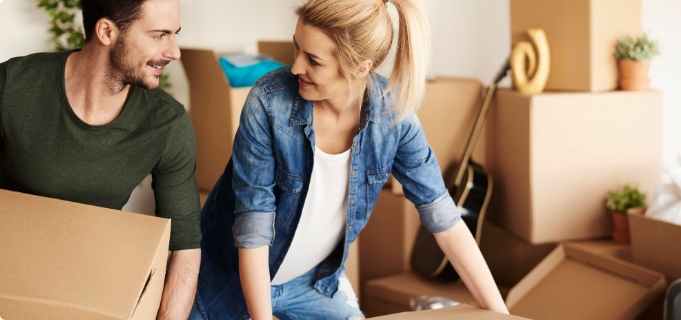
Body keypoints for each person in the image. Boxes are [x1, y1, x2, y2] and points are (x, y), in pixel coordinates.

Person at [191, 0, 509, 319]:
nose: (297, 67)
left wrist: (502, 314)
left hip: (312, 283)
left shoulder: (394, 116)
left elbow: (446, 222)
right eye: (296, 48)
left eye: (313, 60)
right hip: (226, 281)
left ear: (360, 67)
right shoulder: (268, 103)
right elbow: (253, 233)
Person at [0, 0, 200, 319]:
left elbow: (184, 247)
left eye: (174, 34)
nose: (175, 51)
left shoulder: (167, 124)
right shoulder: (13, 85)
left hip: (87, 290)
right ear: (107, 31)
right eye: (159, 35)